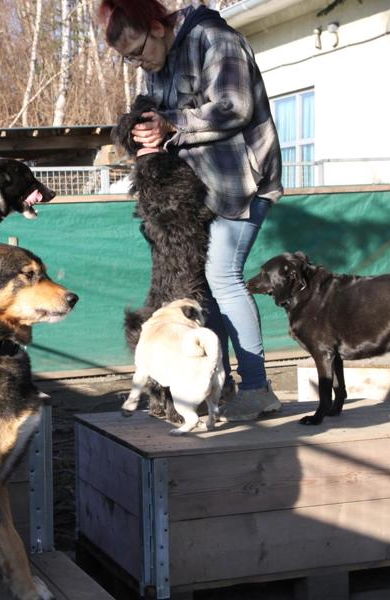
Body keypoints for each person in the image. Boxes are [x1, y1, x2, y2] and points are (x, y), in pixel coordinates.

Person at [98, 0, 284, 421]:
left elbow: (234, 107)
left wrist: (171, 124)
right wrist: (144, 133)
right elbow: (159, 120)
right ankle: (220, 384)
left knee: (223, 276)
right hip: (197, 191)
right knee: (199, 286)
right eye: (129, 58)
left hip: (242, 181)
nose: (139, 61)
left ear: (158, 27)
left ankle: (258, 388)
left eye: (139, 49)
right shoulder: (155, 62)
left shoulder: (216, 40)